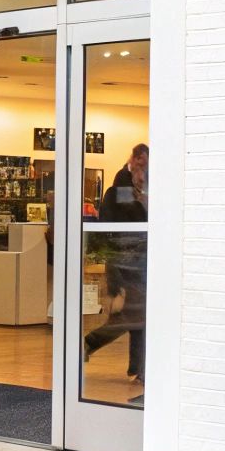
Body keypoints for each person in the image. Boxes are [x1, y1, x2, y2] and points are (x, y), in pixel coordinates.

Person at [82, 144, 148, 385]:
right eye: (142, 167)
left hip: (137, 263)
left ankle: (139, 368)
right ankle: (88, 345)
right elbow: (115, 232)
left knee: (138, 318)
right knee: (132, 318)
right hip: (127, 263)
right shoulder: (120, 192)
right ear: (137, 161)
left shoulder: (132, 191)